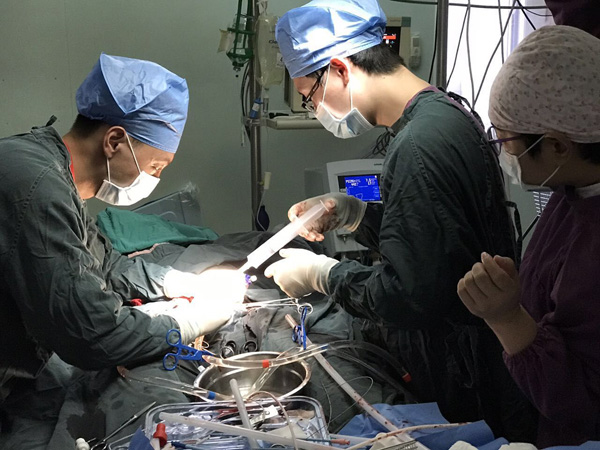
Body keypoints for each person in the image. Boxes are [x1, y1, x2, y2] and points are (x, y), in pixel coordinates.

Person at [265, 0, 537, 440]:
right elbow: (436, 238)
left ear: (339, 69)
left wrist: (323, 275)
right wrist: (355, 214)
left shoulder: (417, 146)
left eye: (309, 95)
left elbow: (410, 295)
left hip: (465, 374)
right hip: (483, 353)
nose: (314, 109)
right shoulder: (445, 113)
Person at [0, 53, 244, 449]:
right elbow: (91, 334)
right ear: (114, 141)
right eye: (157, 166)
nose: (155, 177)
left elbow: (105, 265)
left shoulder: (48, 168)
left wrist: (177, 281)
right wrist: (187, 322)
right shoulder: (36, 189)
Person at [457, 26, 600, 447]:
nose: (503, 153)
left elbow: (585, 403)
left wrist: (508, 318)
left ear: (557, 146)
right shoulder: (573, 192)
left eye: (506, 140)